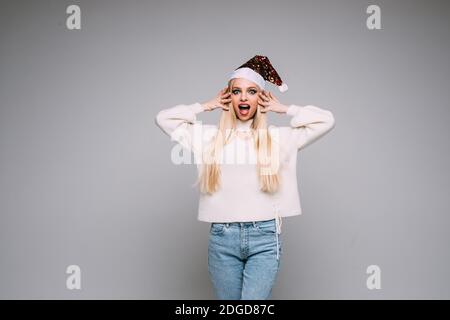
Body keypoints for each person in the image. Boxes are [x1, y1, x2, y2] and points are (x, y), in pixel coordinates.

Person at [155, 55, 335, 299]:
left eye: (251, 91)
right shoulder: (209, 138)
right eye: (236, 91)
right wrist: (205, 105)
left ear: (260, 97)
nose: (243, 97)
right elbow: (163, 119)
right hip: (222, 238)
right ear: (229, 97)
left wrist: (285, 109)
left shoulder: (278, 138)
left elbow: (326, 120)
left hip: (265, 238)